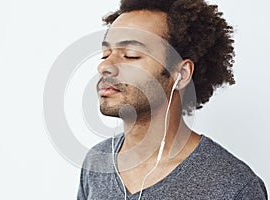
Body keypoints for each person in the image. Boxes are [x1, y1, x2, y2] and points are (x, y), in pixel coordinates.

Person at [77, 0, 268, 199]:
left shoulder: (233, 187)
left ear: (181, 74)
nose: (105, 66)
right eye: (105, 54)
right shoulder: (97, 163)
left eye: (131, 55)